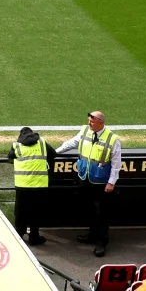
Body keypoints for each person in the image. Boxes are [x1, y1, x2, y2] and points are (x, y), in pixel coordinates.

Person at [58, 109, 122, 257]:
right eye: (89, 121)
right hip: (85, 178)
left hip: (101, 182)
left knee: (102, 212)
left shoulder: (112, 139)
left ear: (101, 122)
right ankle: (92, 235)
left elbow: (116, 163)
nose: (89, 123)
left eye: (92, 121)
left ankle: (101, 241)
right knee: (89, 209)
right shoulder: (85, 130)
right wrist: (56, 151)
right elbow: (72, 143)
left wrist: (111, 182)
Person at [10, 125, 52, 245]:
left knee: (20, 212)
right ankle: (34, 237)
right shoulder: (42, 143)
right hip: (39, 185)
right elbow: (53, 154)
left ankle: (19, 235)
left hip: (22, 184)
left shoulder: (16, 145)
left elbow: (10, 158)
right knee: (36, 212)